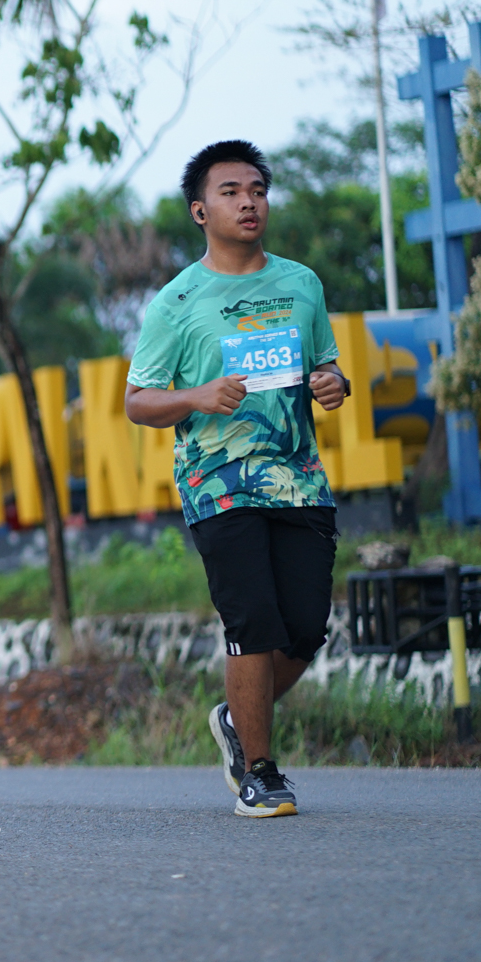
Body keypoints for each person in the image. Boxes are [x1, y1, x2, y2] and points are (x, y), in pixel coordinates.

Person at [126, 139, 350, 818]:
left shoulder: (301, 284)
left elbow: (326, 366)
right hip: (218, 483)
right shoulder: (176, 301)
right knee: (251, 621)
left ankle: (235, 716)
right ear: (200, 211)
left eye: (257, 190)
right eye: (230, 192)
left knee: (304, 628)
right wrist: (196, 396)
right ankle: (260, 771)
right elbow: (138, 401)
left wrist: (334, 383)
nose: (248, 202)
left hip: (298, 479)